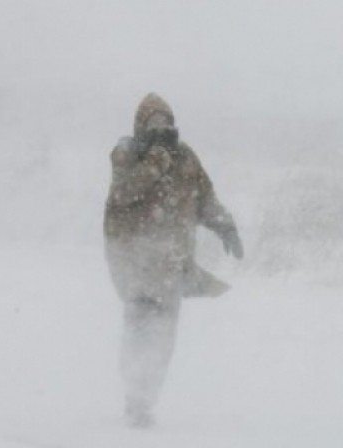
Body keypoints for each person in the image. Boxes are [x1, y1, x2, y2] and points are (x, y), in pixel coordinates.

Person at [104, 93, 244, 428]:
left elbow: (204, 199)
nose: (160, 128)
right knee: (139, 332)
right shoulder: (127, 153)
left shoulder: (185, 157)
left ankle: (146, 399)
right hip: (136, 265)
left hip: (171, 267)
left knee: (164, 338)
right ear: (139, 126)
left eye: (165, 121)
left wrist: (225, 225)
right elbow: (123, 193)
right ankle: (135, 400)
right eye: (152, 123)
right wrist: (156, 158)